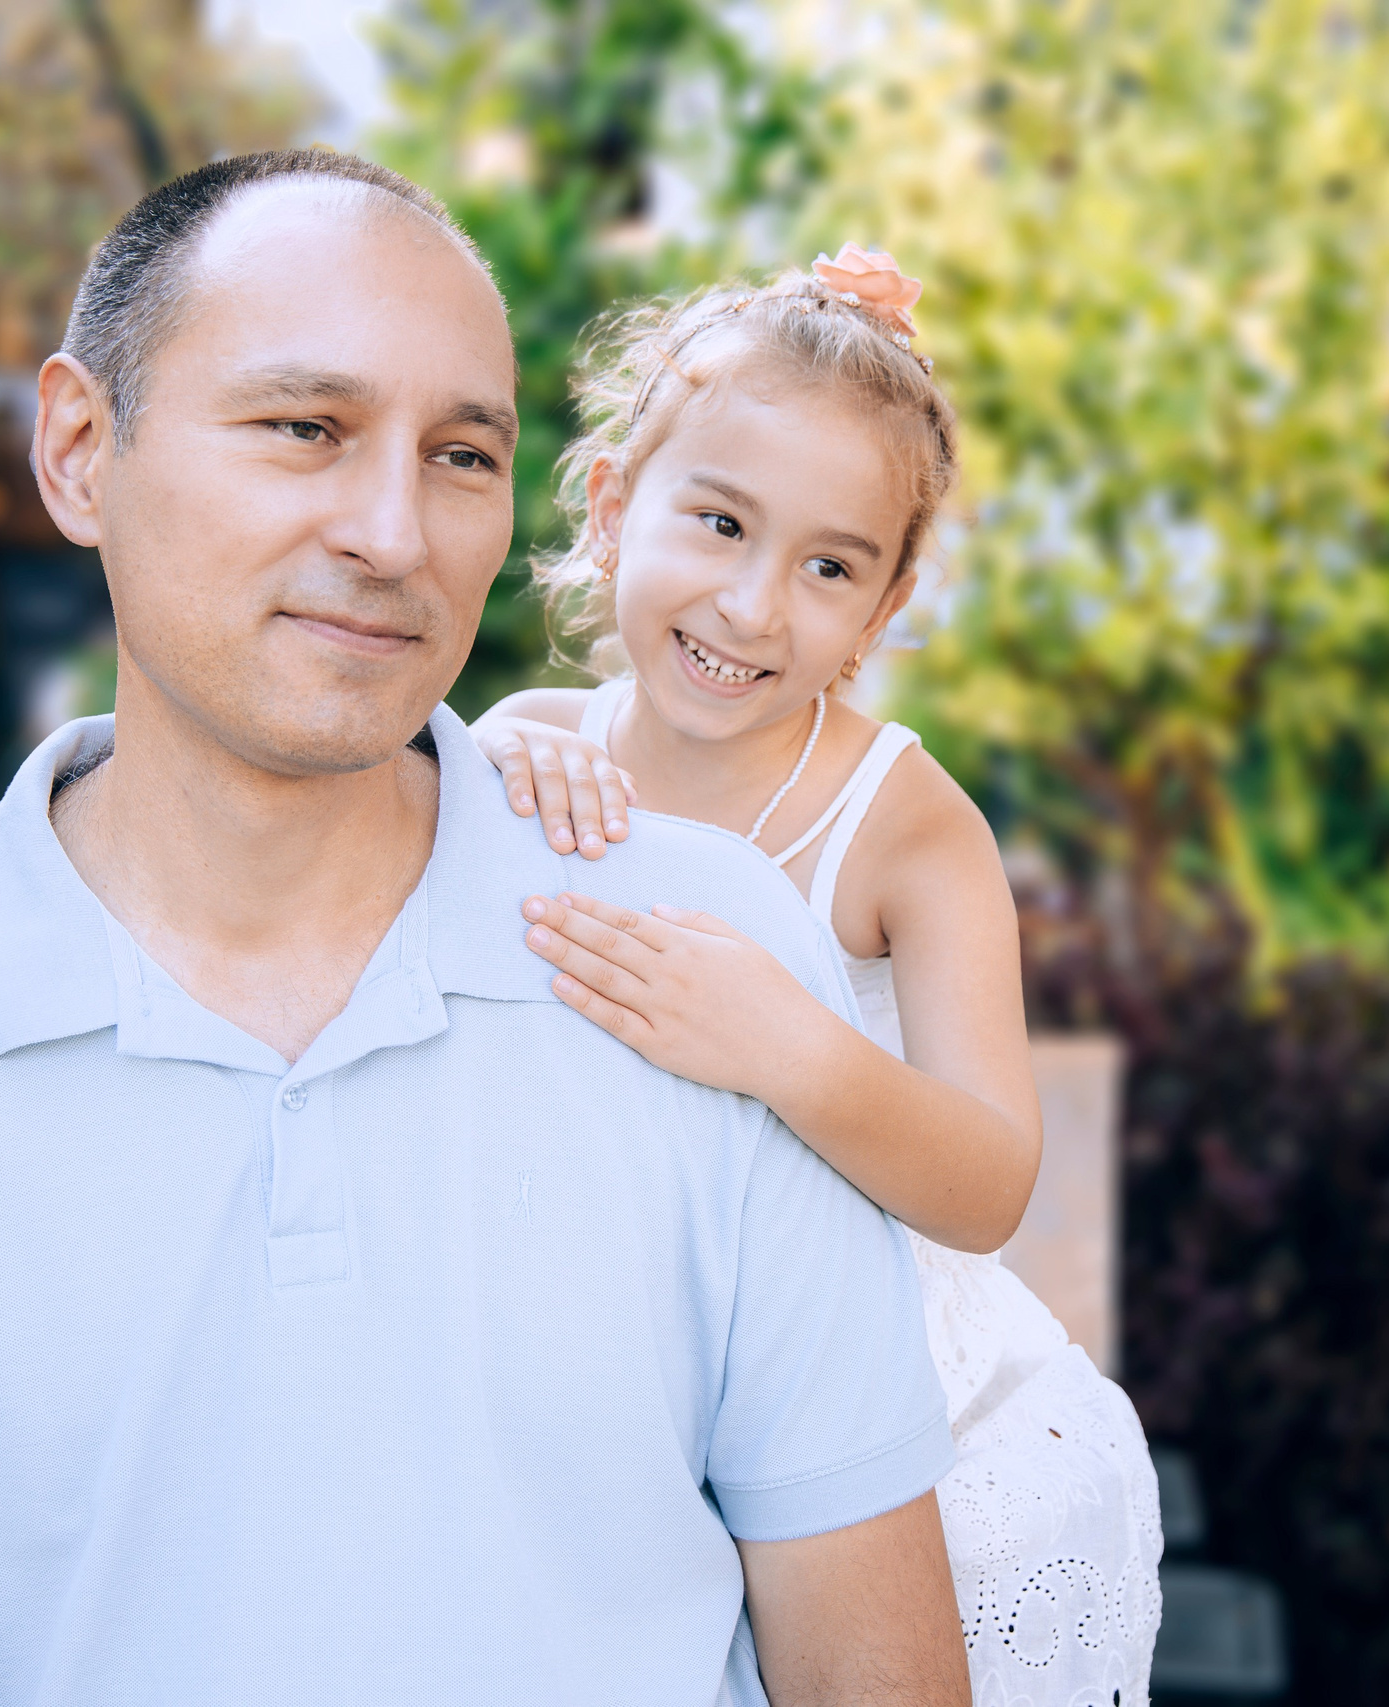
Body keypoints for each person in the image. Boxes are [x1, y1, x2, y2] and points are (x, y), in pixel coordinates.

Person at [0, 152, 970, 1707]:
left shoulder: (711, 956)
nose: (392, 534)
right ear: (77, 452)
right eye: (305, 428)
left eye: (462, 456)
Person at [469, 248, 1165, 1705]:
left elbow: (989, 1182)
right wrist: (482, 787)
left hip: (890, 1401)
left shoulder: (904, 827)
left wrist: (786, 1045)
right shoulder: (527, 752)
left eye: (828, 567)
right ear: (613, 505)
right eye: (719, 523)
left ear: (885, 603)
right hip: (618, 1365)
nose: (751, 605)